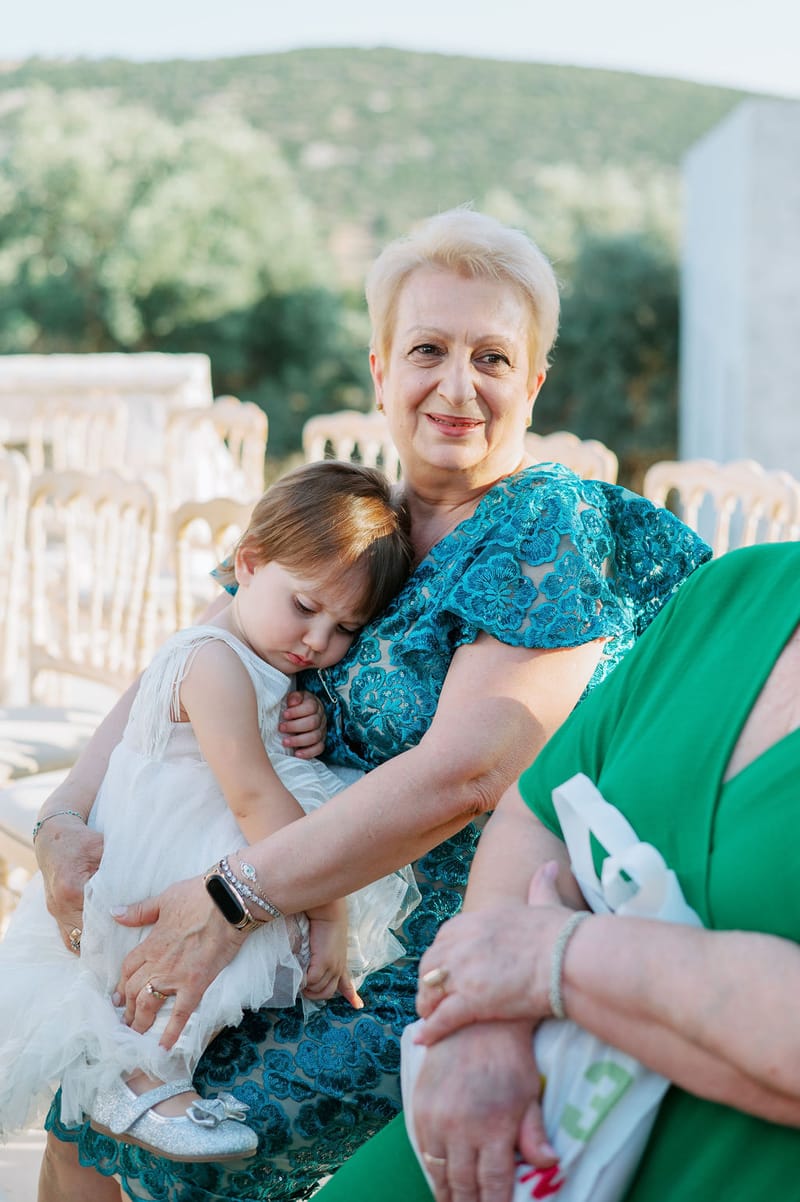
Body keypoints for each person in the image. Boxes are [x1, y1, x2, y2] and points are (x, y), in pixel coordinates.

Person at [32, 207, 711, 1202]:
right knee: (80, 1115)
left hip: (422, 955)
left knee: (183, 1139)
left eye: (491, 356)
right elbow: (189, 655)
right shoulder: (354, 517)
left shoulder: (542, 521)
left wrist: (233, 897)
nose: (455, 383)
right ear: (378, 369)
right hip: (281, 913)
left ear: (532, 382)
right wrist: (61, 815)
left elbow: (471, 768)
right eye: (426, 349)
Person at [314, 540, 800, 1202]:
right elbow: (536, 813)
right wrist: (482, 1020)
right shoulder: (737, 589)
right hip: (519, 1099)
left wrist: (555, 960)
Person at [0, 460, 417, 1164]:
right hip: (169, 847)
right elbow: (253, 796)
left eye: (346, 628)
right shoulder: (215, 661)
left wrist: (303, 713)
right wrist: (329, 908)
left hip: (215, 826)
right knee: (187, 958)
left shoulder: (259, 650)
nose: (317, 642)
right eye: (306, 607)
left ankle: (155, 1071)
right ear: (248, 564)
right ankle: (136, 1076)